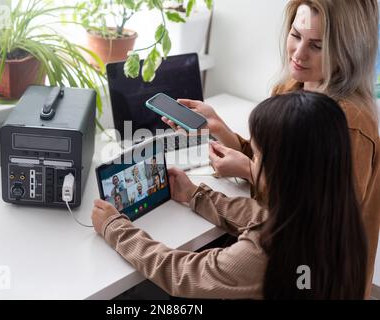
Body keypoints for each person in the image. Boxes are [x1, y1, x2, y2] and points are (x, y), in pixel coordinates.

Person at [162, 0, 380, 297]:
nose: (299, 54)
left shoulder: (351, 128)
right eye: (295, 35)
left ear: (346, 51)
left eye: (317, 46)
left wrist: (250, 171)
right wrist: (220, 129)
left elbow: (316, 223)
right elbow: (281, 163)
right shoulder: (292, 86)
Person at [92, 92, 367, 299]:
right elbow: (262, 217)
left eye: (256, 155)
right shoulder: (339, 220)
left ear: (283, 172)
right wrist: (195, 195)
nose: (251, 159)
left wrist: (115, 227)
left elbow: (182, 273)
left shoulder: (265, 253)